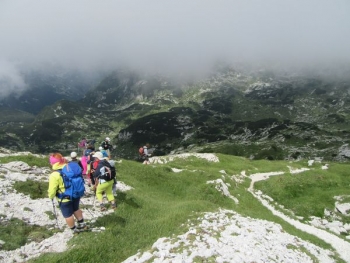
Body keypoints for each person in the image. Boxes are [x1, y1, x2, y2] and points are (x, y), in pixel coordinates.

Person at [47, 152, 86, 234]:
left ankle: (74, 230)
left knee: (67, 214)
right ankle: (82, 224)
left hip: (64, 197)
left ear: (53, 163)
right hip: (76, 193)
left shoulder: (54, 174)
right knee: (76, 208)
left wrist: (51, 196)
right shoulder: (69, 167)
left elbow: (52, 189)